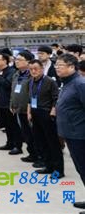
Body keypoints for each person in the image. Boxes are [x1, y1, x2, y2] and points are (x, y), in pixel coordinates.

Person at [55, 54, 85, 212]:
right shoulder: (67, 83)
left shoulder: (80, 84)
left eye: (61, 65)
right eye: (56, 65)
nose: (57, 68)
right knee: (81, 169)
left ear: (72, 67)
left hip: (80, 134)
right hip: (71, 133)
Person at [26, 59, 63, 177]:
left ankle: (58, 170)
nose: (33, 71)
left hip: (47, 114)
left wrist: (53, 111)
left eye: (36, 69)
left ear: (42, 69)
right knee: (41, 142)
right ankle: (48, 166)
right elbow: (29, 98)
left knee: (52, 143)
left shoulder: (49, 81)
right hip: (35, 113)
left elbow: (56, 98)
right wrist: (29, 112)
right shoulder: (30, 81)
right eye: (31, 69)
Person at [0, 53, 22, 155]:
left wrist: (0, 77)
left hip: (9, 102)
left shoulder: (11, 71)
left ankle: (17, 146)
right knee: (7, 125)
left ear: (5, 61)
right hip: (1, 102)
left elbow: (8, 84)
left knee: (14, 125)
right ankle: (9, 143)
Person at [10, 50, 37, 163]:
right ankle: (31, 154)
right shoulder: (16, 74)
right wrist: (12, 103)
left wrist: (31, 109)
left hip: (28, 109)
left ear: (28, 62)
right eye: (16, 59)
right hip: (18, 108)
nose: (16, 62)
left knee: (33, 133)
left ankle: (37, 155)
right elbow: (13, 91)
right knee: (25, 133)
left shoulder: (32, 75)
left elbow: (34, 93)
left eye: (20, 60)